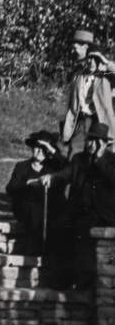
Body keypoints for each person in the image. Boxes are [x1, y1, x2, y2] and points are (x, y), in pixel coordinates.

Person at [39, 121, 115, 289]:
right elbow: (66, 173)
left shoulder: (111, 161)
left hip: (102, 214)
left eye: (94, 141)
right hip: (79, 210)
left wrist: (100, 159)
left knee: (83, 232)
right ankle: (61, 280)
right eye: (89, 140)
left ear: (102, 143)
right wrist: (52, 177)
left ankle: (84, 282)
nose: (89, 144)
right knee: (58, 227)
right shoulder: (79, 159)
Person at [6, 130, 67, 255]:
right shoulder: (22, 167)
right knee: (35, 211)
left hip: (49, 208)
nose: (39, 151)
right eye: (36, 148)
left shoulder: (53, 167)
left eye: (43, 149)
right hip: (26, 208)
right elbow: (11, 188)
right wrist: (29, 183)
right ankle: (35, 250)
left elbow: (67, 166)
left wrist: (51, 148)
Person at [62, 44, 115, 158]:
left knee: (99, 153)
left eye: (95, 59)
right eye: (89, 58)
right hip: (80, 119)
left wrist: (106, 62)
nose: (91, 62)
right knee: (74, 153)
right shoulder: (79, 74)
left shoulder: (106, 75)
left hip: (99, 120)